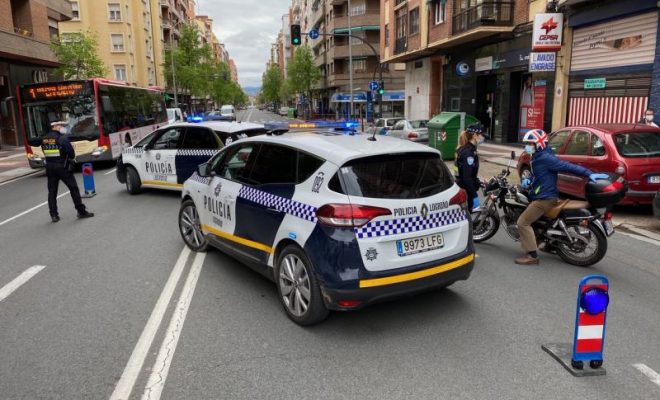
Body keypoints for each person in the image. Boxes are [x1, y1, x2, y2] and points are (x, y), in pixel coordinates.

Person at [515, 129, 608, 265]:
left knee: (522, 222)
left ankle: (532, 255)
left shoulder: (545, 158)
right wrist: (530, 180)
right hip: (543, 193)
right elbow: (541, 175)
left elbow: (567, 166)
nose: (527, 146)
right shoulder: (539, 156)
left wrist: (588, 173)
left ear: (539, 144)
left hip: (544, 198)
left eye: (530, 143)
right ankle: (550, 244)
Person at [42, 121, 94, 223]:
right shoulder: (62, 138)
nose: (63, 128)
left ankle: (54, 215)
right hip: (62, 167)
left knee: (52, 191)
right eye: (61, 126)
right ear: (55, 126)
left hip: (50, 167)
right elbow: (71, 154)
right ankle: (81, 211)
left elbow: (45, 152)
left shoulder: (44, 139)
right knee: (73, 188)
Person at [455, 123, 485, 212]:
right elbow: (467, 177)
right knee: (467, 217)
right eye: (481, 135)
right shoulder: (468, 153)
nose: (483, 138)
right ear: (475, 136)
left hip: (463, 186)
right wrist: (475, 195)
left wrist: (479, 182)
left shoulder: (467, 149)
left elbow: (469, 173)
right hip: (465, 190)